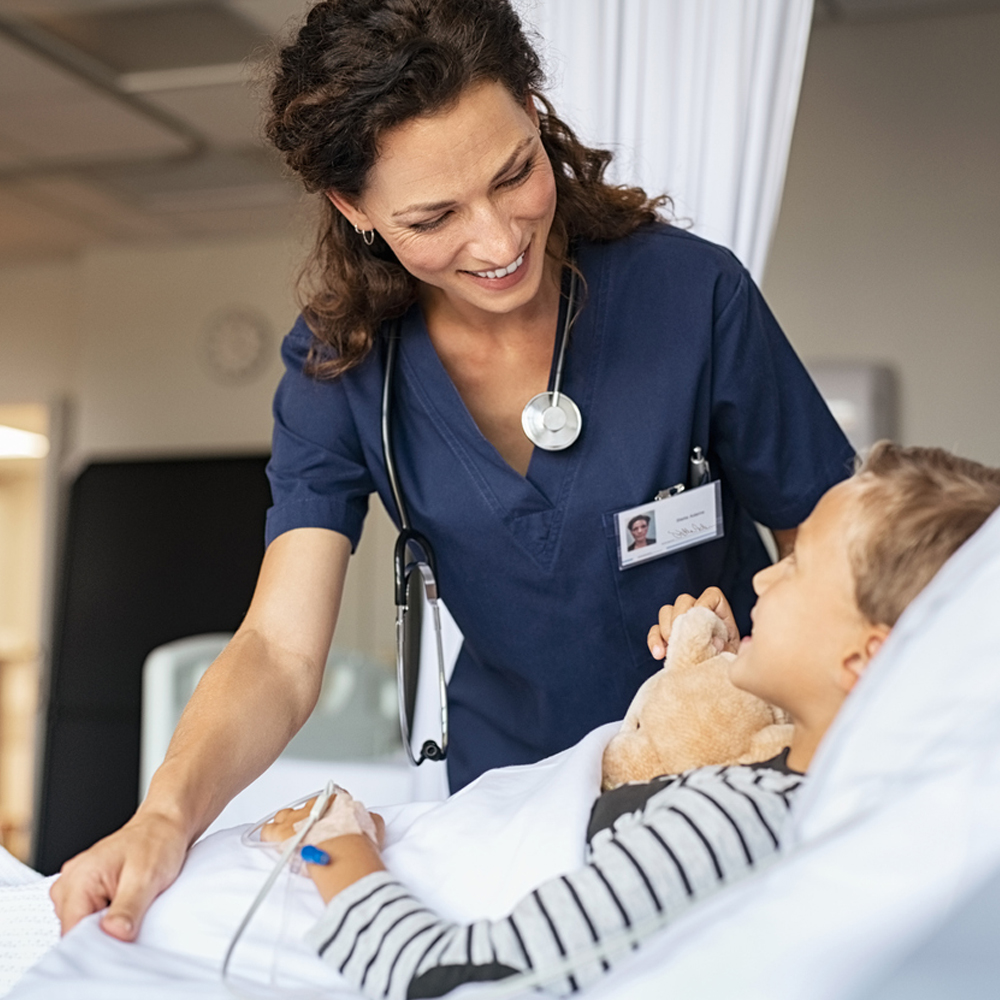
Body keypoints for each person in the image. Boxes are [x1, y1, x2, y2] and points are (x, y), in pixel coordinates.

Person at [51, 0, 853, 941]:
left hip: (728, 770)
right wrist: (166, 815)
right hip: (510, 799)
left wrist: (843, 746)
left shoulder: (691, 296)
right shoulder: (342, 368)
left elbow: (832, 544)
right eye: (433, 216)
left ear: (531, 104)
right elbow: (278, 648)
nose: (498, 239)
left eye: (514, 172)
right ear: (357, 211)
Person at [261, 443, 1000, 999]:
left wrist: (333, 845)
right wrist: (727, 676)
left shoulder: (738, 819)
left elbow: (462, 984)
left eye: (800, 567)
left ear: (866, 661)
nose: (767, 574)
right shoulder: (790, 794)